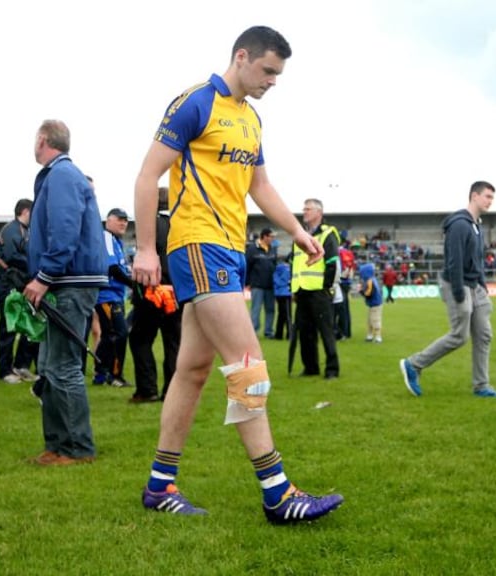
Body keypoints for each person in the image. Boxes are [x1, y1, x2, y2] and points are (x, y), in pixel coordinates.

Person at [130, 26, 343, 521]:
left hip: (230, 248)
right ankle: (278, 491)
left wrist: (297, 231)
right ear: (241, 57)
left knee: (193, 370)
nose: (273, 81)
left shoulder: (250, 119)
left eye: (278, 74)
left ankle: (160, 487)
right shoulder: (195, 103)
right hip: (198, 244)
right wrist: (144, 248)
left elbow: (260, 186)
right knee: (248, 365)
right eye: (268, 70)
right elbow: (147, 174)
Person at [23, 119, 107, 466]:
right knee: (49, 365)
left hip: (69, 282)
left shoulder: (61, 176)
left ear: (43, 139)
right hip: (66, 281)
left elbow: (65, 230)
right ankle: (57, 445)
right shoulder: (62, 175)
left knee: (63, 367)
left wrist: (43, 276)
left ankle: (77, 448)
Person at [399, 181, 496, 398]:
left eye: (492, 198)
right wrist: (459, 292)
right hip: (458, 284)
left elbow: (476, 260)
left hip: (475, 286)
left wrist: (483, 287)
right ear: (474, 196)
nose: (490, 201)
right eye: (487, 196)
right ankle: (414, 364)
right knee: (459, 336)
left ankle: (482, 386)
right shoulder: (459, 224)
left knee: (484, 334)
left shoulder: (477, 224)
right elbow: (454, 261)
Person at [128, 187, 182, 403]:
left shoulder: (149, 224)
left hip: (151, 290)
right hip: (177, 292)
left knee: (140, 339)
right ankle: (172, 391)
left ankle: (147, 389)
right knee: (173, 342)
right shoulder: (181, 225)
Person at [0, 199, 40, 383]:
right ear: (26, 211)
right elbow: (11, 256)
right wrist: (35, 263)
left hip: (22, 283)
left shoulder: (27, 231)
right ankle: (5, 370)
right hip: (8, 283)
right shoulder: (11, 230)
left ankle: (21, 364)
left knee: (29, 325)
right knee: (8, 327)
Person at [291, 198, 341, 379]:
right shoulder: (300, 236)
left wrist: (327, 287)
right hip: (302, 290)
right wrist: (294, 288)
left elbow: (333, 263)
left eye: (308, 209)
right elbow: (294, 263)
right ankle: (310, 368)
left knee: (326, 331)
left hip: (320, 292)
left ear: (319, 212)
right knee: (305, 333)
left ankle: (332, 369)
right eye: (304, 208)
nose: (304, 211)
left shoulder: (328, 234)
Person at [92, 208, 133, 387]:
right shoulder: (107, 237)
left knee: (110, 335)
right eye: (120, 219)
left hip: (115, 294)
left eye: (126, 220)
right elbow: (112, 268)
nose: (124, 223)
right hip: (107, 295)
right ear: (108, 220)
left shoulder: (116, 241)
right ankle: (114, 376)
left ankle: (101, 374)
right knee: (119, 333)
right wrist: (135, 285)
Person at [246, 227, 277, 339]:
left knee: (270, 309)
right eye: (271, 236)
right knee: (256, 309)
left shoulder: (273, 249)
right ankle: (253, 332)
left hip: (270, 285)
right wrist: (247, 282)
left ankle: (268, 332)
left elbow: (274, 265)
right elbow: (247, 266)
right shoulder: (252, 249)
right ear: (264, 236)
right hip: (257, 285)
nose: (273, 239)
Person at [358, 262, 383, 342]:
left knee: (375, 319)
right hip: (373, 303)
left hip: (375, 304)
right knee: (369, 320)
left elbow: (369, 294)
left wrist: (361, 291)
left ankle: (378, 336)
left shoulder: (370, 281)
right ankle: (370, 335)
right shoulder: (371, 280)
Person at [272, 256, 291, 340]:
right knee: (287, 315)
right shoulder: (287, 269)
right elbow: (288, 280)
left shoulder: (277, 269)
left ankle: (279, 334)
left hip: (279, 293)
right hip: (286, 293)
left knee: (281, 314)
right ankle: (289, 334)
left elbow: (276, 280)